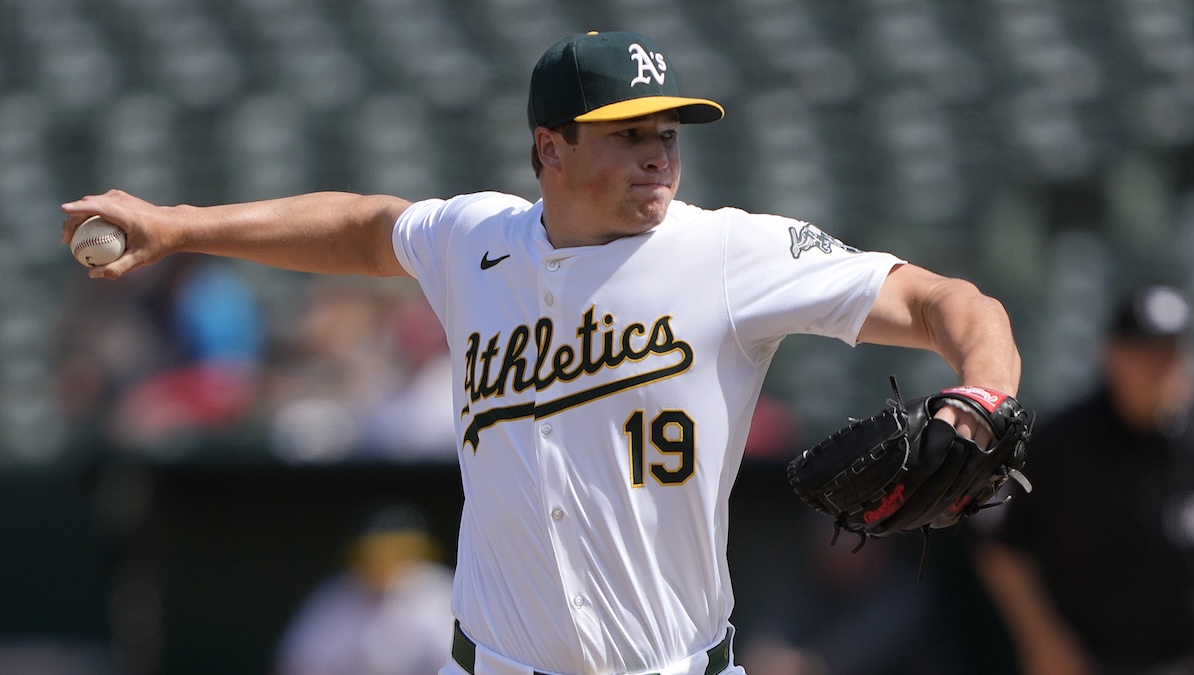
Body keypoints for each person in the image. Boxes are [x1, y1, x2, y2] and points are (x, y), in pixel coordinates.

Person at [62, 30, 1021, 675]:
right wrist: (179, 225)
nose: (659, 154)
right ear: (548, 147)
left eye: (667, 133)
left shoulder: (729, 254)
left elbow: (948, 300)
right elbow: (361, 226)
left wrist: (983, 395)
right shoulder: (475, 241)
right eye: (626, 133)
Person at [974, 284, 1194, 675]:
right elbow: (1002, 548)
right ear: (1112, 356)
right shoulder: (1065, 443)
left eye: (1170, 354)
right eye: (1147, 354)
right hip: (1095, 660)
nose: (1161, 369)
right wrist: (1043, 640)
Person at [274, 503, 455, 675]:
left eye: (398, 552)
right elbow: (301, 664)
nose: (385, 562)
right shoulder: (337, 596)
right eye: (374, 553)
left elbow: (458, 664)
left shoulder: (439, 594)